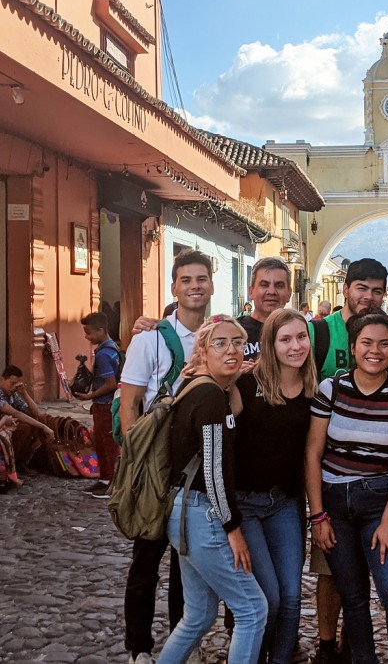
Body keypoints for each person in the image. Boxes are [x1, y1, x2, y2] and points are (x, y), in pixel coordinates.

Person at [305, 312, 388, 664]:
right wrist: (317, 516)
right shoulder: (332, 390)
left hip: (381, 502)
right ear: (353, 347)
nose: (375, 351)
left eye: (384, 344)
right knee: (353, 596)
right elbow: (313, 453)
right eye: (367, 343)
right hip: (334, 505)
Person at [120, 249, 215, 664]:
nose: (195, 286)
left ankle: (184, 644)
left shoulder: (218, 336)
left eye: (201, 279)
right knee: (146, 560)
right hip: (156, 468)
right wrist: (135, 462)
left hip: (196, 467)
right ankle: (138, 647)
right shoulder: (150, 339)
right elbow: (129, 404)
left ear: (211, 285)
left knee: (187, 565)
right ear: (174, 287)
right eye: (186, 280)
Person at [158, 316, 266, 664]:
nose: (231, 350)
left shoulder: (201, 387)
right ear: (203, 351)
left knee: (198, 616)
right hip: (203, 514)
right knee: (252, 609)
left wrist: (231, 379)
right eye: (220, 343)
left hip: (184, 510)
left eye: (238, 342)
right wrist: (233, 529)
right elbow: (214, 470)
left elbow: (236, 411)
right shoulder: (207, 396)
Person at [306, 257, 388, 662]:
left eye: (376, 291)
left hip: (373, 477)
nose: (368, 297)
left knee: (365, 567)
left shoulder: (386, 334)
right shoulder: (319, 332)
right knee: (328, 568)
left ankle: (350, 641)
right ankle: (326, 644)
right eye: (362, 288)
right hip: (326, 472)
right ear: (345, 289)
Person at [234, 308, 317, 664]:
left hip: (284, 502)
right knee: (269, 598)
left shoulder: (313, 390)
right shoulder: (245, 384)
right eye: (285, 339)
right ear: (270, 343)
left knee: (293, 597)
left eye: (301, 337)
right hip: (245, 504)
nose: (295, 346)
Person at [74, 312, 121, 499]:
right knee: (103, 443)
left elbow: (110, 384)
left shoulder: (103, 354)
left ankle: (110, 483)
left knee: (106, 445)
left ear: (100, 330)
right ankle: (104, 479)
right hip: (108, 404)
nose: (87, 337)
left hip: (105, 405)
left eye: (89, 333)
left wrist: (90, 395)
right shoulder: (112, 348)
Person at [0, 365, 56, 467]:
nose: (14, 387)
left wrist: (25, 394)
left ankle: (23, 461)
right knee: (24, 428)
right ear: (2, 380)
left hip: (8, 425)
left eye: (16, 384)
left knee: (34, 423)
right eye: (11, 383)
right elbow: (16, 413)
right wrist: (43, 426)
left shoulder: (13, 394)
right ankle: (12, 463)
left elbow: (36, 413)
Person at [239, 257, 293, 362]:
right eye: (264, 285)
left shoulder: (299, 333)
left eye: (279, 285)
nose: (271, 291)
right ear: (251, 291)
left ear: (289, 293)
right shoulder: (235, 332)